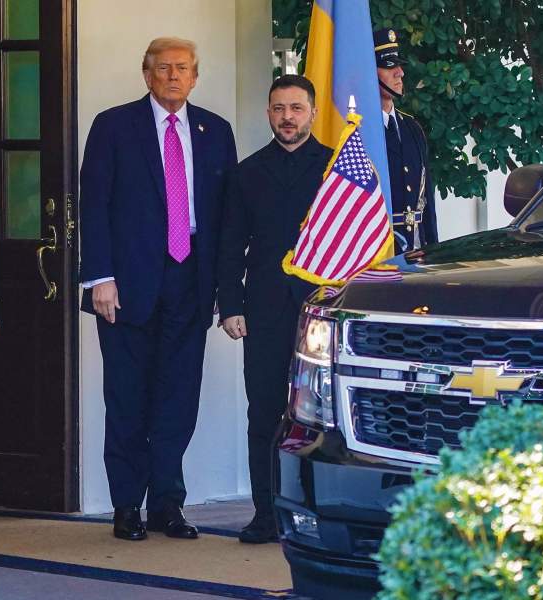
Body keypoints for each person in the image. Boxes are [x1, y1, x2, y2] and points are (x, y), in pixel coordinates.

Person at [80, 37, 237, 541]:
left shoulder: (217, 131)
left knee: (177, 400)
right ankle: (126, 506)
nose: (173, 76)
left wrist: (223, 288)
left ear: (195, 77)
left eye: (183, 68)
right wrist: (98, 277)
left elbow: (226, 219)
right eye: (163, 68)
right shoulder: (113, 126)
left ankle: (168, 504)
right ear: (146, 75)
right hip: (126, 285)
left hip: (191, 280)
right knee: (127, 398)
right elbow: (94, 204)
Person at [217, 75, 332, 544]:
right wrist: (230, 305)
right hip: (262, 311)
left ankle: (320, 517)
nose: (287, 117)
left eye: (296, 108)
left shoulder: (337, 171)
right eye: (279, 108)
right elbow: (229, 246)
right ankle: (265, 515)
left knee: (323, 419)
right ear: (269, 113)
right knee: (263, 414)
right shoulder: (247, 172)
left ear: (312, 111)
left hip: (324, 312)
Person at [374, 27, 438, 253]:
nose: (399, 73)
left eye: (399, 66)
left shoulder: (412, 127)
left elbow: (426, 197)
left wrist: (433, 248)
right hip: (376, 249)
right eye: (389, 66)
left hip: (415, 247)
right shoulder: (357, 131)